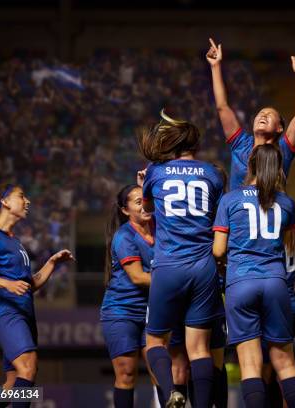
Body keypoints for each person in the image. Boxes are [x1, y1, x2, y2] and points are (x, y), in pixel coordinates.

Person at [138, 110, 225, 408]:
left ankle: (170, 393)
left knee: (155, 342)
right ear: (196, 146)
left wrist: (146, 181)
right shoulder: (213, 174)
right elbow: (214, 212)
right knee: (199, 349)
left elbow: (147, 208)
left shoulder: (156, 171)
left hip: (168, 265)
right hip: (203, 267)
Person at [212, 144, 295, 408]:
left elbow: (218, 249)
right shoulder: (287, 202)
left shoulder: (230, 200)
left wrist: (224, 263)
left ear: (250, 164)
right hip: (275, 282)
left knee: (250, 365)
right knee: (284, 362)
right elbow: (292, 248)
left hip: (240, 281)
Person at [0, 184, 74, 408]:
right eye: (22, 196)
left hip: (25, 313)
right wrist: (6, 283)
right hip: (6, 312)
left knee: (13, 381)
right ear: (5, 202)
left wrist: (52, 263)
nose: (28, 201)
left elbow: (27, 285)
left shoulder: (14, 241)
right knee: (28, 367)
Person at [206, 38, 295, 190]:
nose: (263, 115)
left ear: (280, 128)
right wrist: (215, 66)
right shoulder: (240, 144)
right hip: (238, 213)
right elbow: (222, 107)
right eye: (261, 113)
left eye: (269, 114)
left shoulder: (283, 150)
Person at [101, 183, 163, 408]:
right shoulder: (124, 237)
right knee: (127, 373)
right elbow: (138, 277)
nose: (145, 205)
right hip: (121, 311)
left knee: (161, 370)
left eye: (146, 200)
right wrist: (174, 281)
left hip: (153, 311)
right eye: (138, 202)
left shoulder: (161, 226)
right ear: (125, 210)